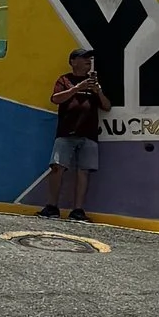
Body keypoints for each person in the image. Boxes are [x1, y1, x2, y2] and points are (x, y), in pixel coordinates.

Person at [46, 48, 110, 218]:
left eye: (90, 58)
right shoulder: (65, 80)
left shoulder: (94, 82)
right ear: (73, 61)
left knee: (84, 171)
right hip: (66, 132)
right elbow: (56, 99)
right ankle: (51, 207)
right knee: (57, 167)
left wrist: (99, 92)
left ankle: (78, 210)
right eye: (84, 58)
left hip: (89, 134)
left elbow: (107, 106)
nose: (89, 60)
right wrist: (77, 88)